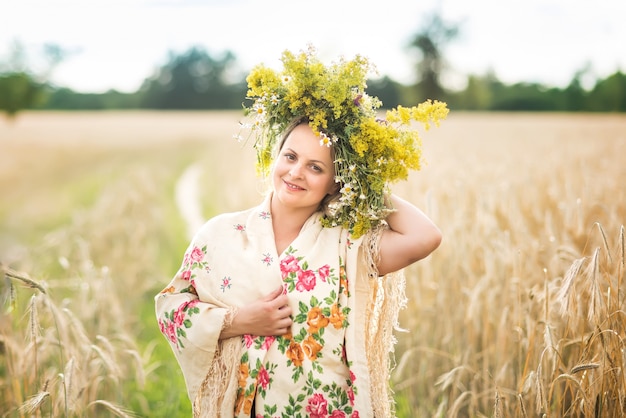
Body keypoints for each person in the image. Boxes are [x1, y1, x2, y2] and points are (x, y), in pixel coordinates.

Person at [155, 45, 448, 418]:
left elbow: (425, 237)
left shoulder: (348, 243)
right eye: (290, 157)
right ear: (276, 158)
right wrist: (239, 321)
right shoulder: (220, 235)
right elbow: (170, 310)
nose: (295, 173)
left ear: (334, 183)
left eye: (316, 167)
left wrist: (366, 177)